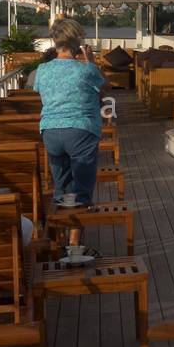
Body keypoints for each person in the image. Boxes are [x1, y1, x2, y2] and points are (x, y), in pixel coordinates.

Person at [31, 18, 107, 251]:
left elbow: (39, 90)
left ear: (55, 42)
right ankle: (74, 245)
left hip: (51, 132)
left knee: (62, 186)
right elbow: (103, 87)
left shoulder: (42, 70)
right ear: (78, 43)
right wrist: (91, 62)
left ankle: (59, 242)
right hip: (81, 130)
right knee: (81, 189)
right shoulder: (87, 70)